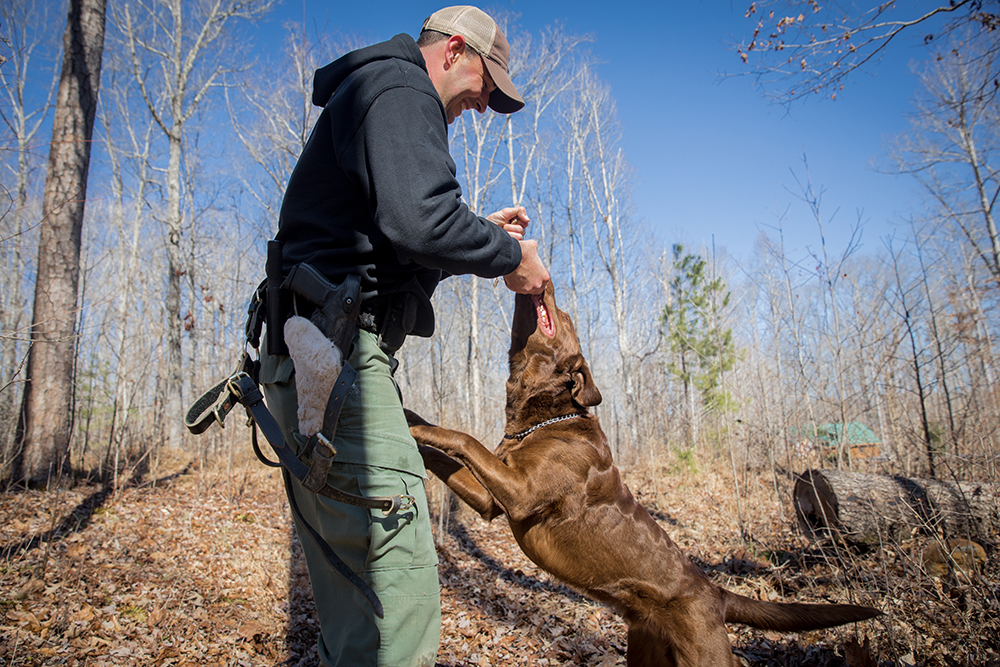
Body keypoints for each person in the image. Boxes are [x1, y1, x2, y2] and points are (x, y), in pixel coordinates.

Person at [258, 6, 549, 667]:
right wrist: (514, 258)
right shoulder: (399, 86)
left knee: (354, 577)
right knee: (396, 561)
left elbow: (396, 239)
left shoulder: (380, 92)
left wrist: (476, 231)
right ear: (453, 51)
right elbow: (419, 220)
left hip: (313, 352)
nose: (482, 105)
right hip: (332, 357)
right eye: (485, 85)